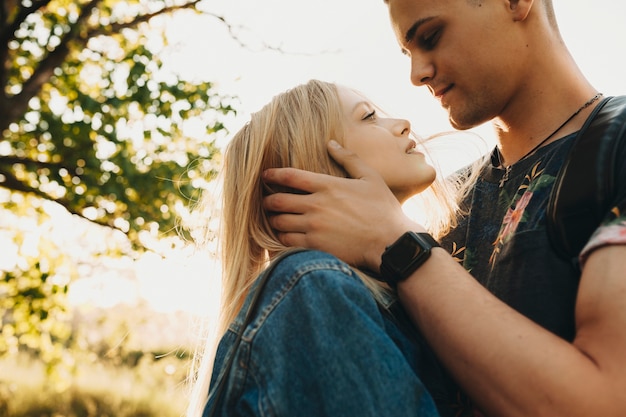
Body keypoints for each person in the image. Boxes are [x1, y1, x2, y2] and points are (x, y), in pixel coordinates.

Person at [261, 1, 626, 417]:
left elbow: (608, 402)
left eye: (430, 37)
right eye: (407, 52)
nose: (416, 74)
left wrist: (400, 247)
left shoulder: (615, 148)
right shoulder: (440, 204)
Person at [187, 79, 468, 417]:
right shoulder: (313, 286)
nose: (402, 124)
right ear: (316, 162)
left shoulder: (373, 294)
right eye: (368, 117)